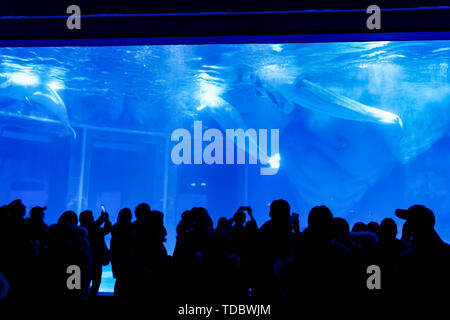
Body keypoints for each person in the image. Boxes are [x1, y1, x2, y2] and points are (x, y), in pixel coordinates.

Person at [394, 205, 450, 298]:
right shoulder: (446, 252)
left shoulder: (408, 259)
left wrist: (404, 239)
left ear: (411, 227)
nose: (406, 224)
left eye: (409, 222)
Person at [79, 209, 111, 297]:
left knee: (86, 282)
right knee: (94, 282)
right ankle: (91, 298)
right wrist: (104, 219)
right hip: (95, 260)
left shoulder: (81, 230)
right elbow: (104, 229)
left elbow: (103, 229)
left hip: (87, 260)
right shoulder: (90, 230)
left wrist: (104, 219)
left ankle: (84, 297)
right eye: (91, 217)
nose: (93, 218)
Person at [110, 208, 133, 296]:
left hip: (117, 261)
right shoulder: (131, 229)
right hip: (128, 261)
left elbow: (113, 250)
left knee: (119, 282)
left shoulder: (115, 230)